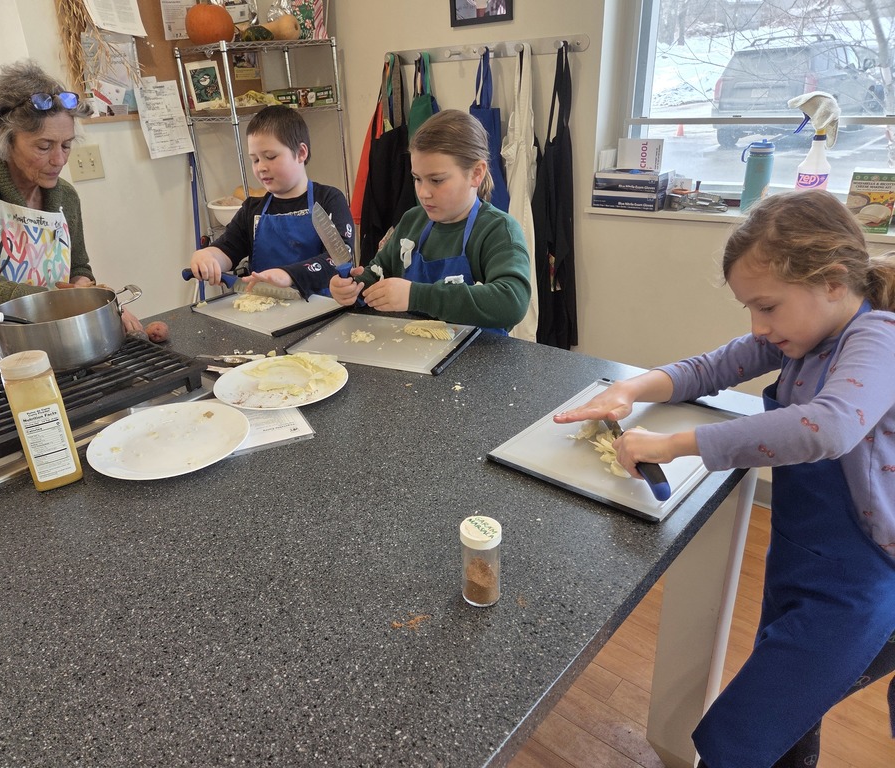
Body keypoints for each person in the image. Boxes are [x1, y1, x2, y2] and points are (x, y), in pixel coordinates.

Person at [552, 189, 895, 767]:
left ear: (834, 282)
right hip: (799, 561)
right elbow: (709, 368)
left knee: (739, 736)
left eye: (767, 307)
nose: (758, 327)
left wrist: (675, 444)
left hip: (859, 583)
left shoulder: (878, 338)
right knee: (789, 719)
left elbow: (829, 426)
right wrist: (629, 389)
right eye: (749, 310)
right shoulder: (802, 335)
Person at [0, 59, 142, 381]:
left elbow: (79, 268)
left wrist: (84, 288)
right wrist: (72, 303)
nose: (59, 160)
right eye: (44, 146)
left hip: (48, 349)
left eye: (66, 145)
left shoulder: (65, 196)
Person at [329, 109, 530, 333]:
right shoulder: (411, 221)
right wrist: (353, 288)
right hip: (409, 348)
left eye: (436, 180)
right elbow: (378, 273)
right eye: (417, 179)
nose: (423, 193)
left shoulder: (498, 230)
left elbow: (512, 301)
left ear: (476, 173)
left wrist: (416, 296)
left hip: (477, 354)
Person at [188, 105, 354, 298]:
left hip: (321, 310)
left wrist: (288, 275)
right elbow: (228, 250)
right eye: (255, 160)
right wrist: (208, 256)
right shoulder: (252, 209)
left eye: (270, 157)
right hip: (264, 308)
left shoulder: (328, 200)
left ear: (301, 153)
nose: (261, 167)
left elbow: (339, 259)